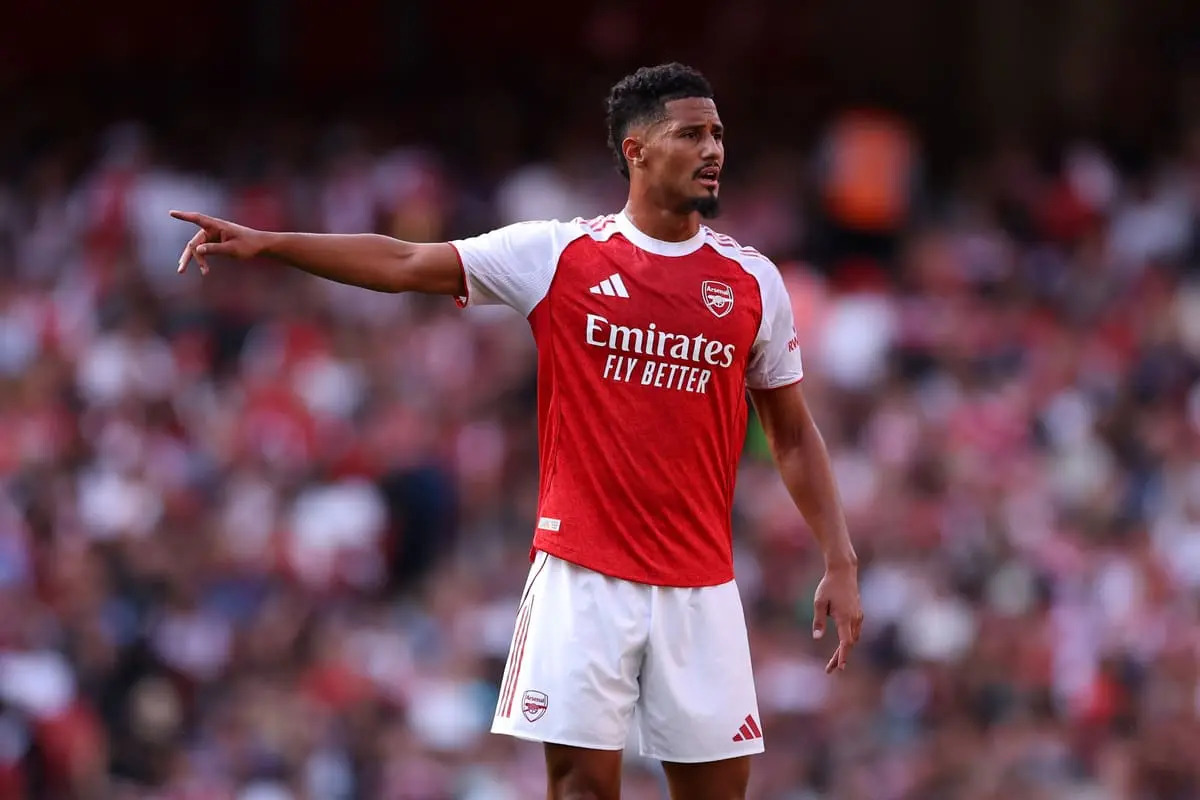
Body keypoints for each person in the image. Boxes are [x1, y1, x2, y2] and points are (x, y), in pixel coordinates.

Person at [171, 63, 863, 800]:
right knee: (579, 789)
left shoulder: (754, 282)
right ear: (635, 150)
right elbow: (406, 261)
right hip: (581, 575)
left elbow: (790, 434)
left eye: (718, 133)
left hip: (700, 583)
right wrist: (269, 243)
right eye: (691, 133)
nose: (713, 148)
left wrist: (841, 559)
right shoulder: (559, 253)